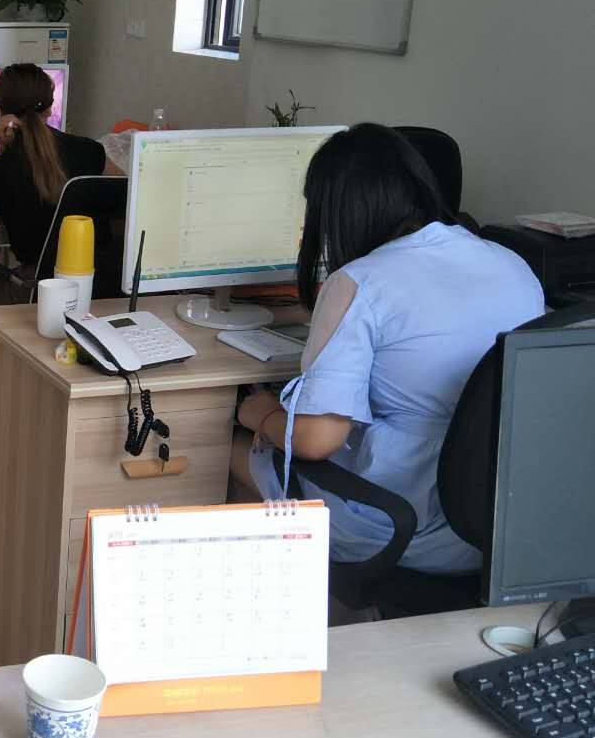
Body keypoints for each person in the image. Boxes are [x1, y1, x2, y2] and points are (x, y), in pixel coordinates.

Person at [229, 122, 544, 574]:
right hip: (495, 524)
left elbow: (316, 441)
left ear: (335, 212)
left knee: (227, 450)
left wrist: (258, 413)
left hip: (398, 524)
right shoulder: (511, 263)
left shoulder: (360, 282)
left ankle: (306, 606)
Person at [0, 63, 114, 441]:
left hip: (42, 291)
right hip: (101, 286)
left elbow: (2, 188)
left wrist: (4, 143)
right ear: (51, 107)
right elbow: (124, 188)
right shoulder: (92, 152)